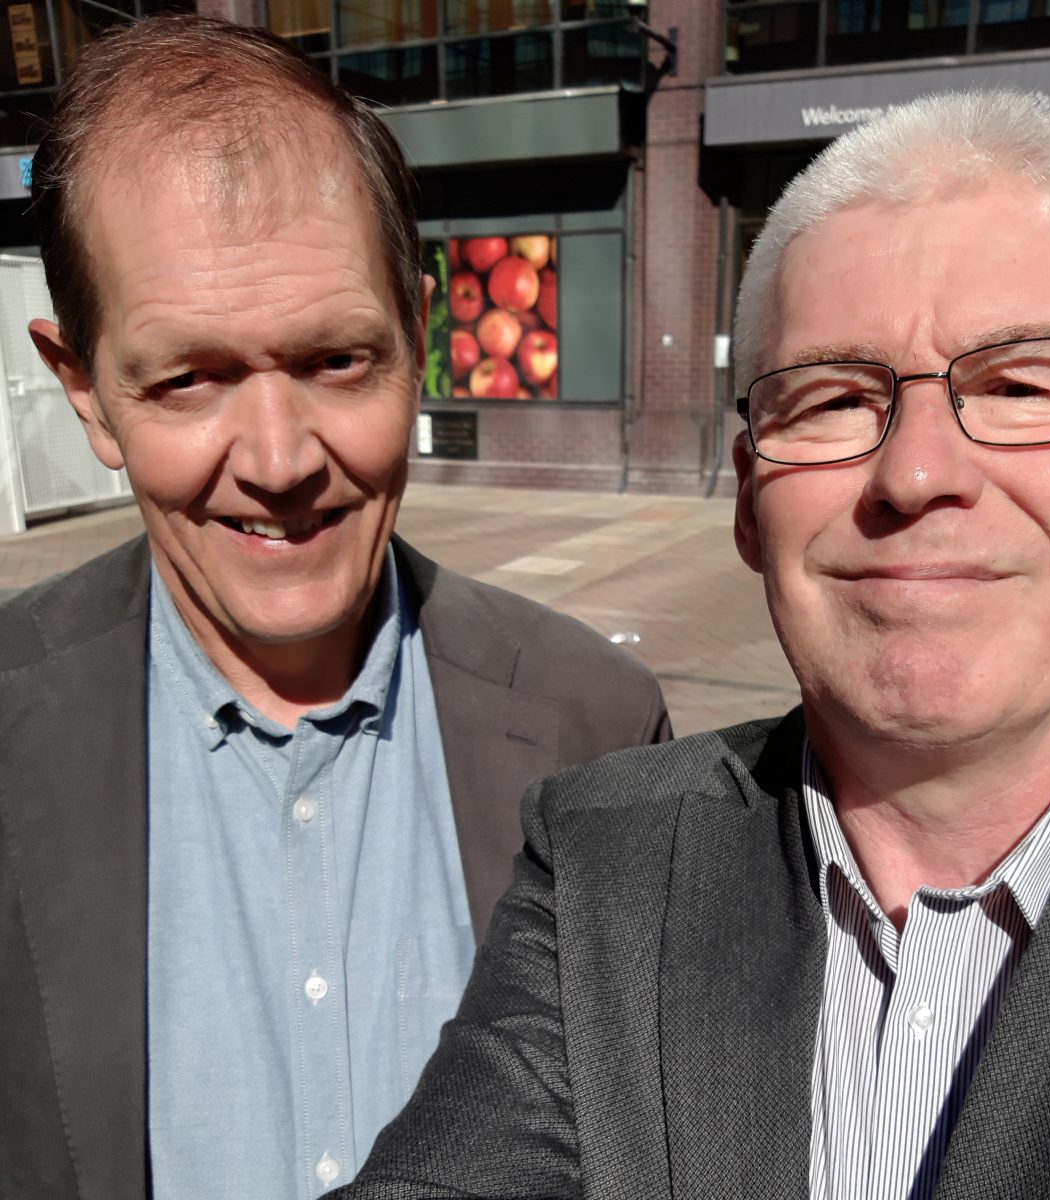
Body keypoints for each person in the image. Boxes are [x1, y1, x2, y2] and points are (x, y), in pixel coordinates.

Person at [342, 90, 1050, 1200]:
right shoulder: (606, 864)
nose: (916, 474)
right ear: (749, 502)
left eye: (1020, 385)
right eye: (834, 400)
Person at [0, 15, 671, 1200]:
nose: (279, 460)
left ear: (420, 337)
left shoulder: (600, 725)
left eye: (336, 362)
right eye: (189, 378)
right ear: (86, 392)